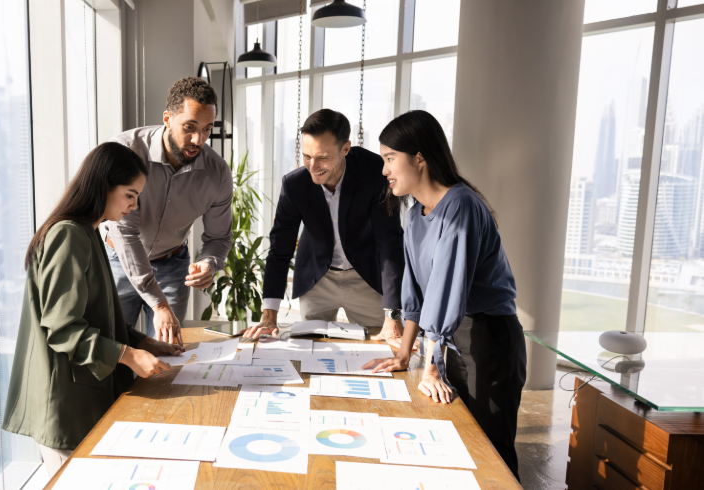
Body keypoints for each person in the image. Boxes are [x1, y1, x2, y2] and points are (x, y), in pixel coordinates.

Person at [2, 142, 185, 477]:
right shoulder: (68, 235)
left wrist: (144, 343)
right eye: (129, 195)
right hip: (67, 405)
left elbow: (100, 316)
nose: (134, 205)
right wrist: (129, 355)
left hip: (80, 397)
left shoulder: (88, 232)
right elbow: (63, 328)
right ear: (104, 186)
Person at [363, 110, 527, 480]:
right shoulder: (416, 215)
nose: (385, 169)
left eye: (390, 158)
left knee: (493, 450)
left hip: (488, 336)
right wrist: (406, 352)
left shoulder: (461, 206)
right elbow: (415, 291)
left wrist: (431, 363)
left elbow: (446, 286)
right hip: (451, 336)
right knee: (461, 438)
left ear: (419, 157)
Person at [241, 109, 406, 341]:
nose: (312, 166)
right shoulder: (294, 185)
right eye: (307, 156)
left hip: (366, 276)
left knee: (384, 342)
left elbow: (389, 243)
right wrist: (269, 315)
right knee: (311, 347)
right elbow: (280, 249)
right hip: (318, 278)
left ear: (346, 149)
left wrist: (394, 315)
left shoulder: (374, 173)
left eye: (323, 157)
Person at [106, 77, 233, 345]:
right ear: (167, 118)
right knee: (114, 351)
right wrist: (159, 305)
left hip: (171, 267)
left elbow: (219, 238)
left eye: (207, 129)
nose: (198, 140)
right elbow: (126, 233)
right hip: (118, 260)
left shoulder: (218, 172)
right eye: (189, 127)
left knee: (168, 355)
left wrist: (209, 263)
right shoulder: (126, 151)